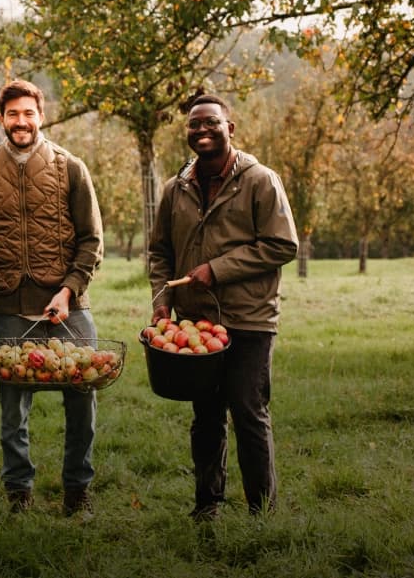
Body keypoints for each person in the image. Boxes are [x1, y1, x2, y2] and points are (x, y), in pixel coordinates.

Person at [147, 92, 298, 521]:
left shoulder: (260, 180)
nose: (202, 130)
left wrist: (217, 269)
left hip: (249, 319)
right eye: (194, 124)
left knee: (249, 413)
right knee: (207, 417)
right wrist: (163, 299)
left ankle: (261, 513)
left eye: (210, 122)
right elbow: (159, 251)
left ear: (229, 128)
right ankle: (207, 505)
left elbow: (283, 244)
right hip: (197, 322)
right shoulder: (175, 188)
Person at [0, 80, 104, 516]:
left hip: (68, 308)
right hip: (7, 309)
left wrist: (67, 291)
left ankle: (77, 491)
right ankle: (18, 493)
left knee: (82, 400)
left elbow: (92, 240)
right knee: (13, 411)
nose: (20, 121)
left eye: (28, 113)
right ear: (1, 119)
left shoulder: (71, 168)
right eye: (12, 114)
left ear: (41, 116)